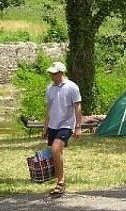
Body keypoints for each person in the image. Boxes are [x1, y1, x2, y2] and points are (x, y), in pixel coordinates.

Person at [42, 61, 82, 195]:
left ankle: (60, 182)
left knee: (55, 150)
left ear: (61, 73)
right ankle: (58, 177)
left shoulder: (72, 87)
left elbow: (77, 107)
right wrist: (45, 127)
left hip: (66, 124)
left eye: (54, 73)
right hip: (53, 124)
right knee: (57, 153)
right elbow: (48, 109)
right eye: (51, 73)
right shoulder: (49, 88)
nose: (52, 76)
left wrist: (78, 126)